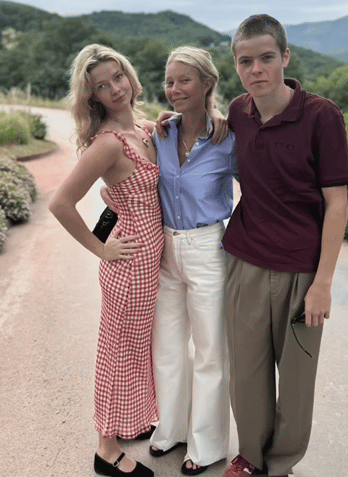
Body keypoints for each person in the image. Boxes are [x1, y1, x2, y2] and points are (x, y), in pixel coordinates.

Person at [159, 14, 348, 477]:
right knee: (246, 374)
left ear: (285, 57)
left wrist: (323, 283)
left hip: (302, 269)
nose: (257, 69)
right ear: (236, 67)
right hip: (243, 260)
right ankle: (249, 456)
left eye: (266, 58)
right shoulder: (239, 116)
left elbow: (337, 204)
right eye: (246, 61)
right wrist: (173, 117)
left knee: (297, 380)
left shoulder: (322, 116)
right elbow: (201, 135)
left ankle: (280, 463)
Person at [103, 46, 236, 476]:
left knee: (210, 351)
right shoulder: (158, 132)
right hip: (163, 248)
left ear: (207, 85)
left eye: (184, 80)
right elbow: (124, 183)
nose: (174, 89)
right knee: (168, 347)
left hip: (206, 248)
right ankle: (171, 430)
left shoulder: (227, 138)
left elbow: (257, 191)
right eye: (169, 81)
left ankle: (207, 443)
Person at [49, 43, 163, 477]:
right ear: (92, 96)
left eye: (118, 77)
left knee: (137, 350)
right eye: (102, 85)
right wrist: (101, 249)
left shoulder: (146, 129)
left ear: (130, 76)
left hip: (151, 261)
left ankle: (126, 423)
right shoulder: (109, 144)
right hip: (129, 266)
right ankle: (106, 449)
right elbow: (60, 203)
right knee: (119, 351)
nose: (115, 88)